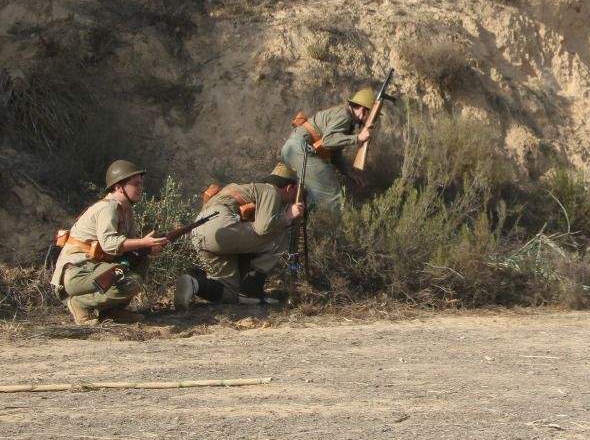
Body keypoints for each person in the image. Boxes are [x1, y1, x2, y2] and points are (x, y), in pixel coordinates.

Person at [51, 161, 171, 326]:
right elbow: (109, 244)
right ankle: (80, 304)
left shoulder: (126, 211)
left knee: (141, 261)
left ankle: (111, 311)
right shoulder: (108, 209)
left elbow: (129, 249)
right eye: (136, 184)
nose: (140, 188)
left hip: (94, 269)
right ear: (119, 187)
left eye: (141, 184)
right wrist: (143, 242)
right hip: (77, 273)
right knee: (130, 281)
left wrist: (148, 248)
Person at [178, 164, 306, 307]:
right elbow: (264, 228)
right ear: (289, 188)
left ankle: (194, 282)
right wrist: (288, 216)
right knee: (279, 234)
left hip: (199, 230)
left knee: (230, 292)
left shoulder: (246, 190)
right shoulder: (271, 191)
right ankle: (251, 292)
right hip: (221, 225)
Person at [280, 88, 378, 213]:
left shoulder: (345, 118)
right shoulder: (345, 116)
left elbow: (334, 154)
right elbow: (328, 141)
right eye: (372, 116)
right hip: (301, 150)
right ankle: (339, 224)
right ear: (363, 110)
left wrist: (349, 173)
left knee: (310, 197)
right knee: (334, 196)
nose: (373, 120)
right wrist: (358, 138)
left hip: (294, 150)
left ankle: (309, 221)